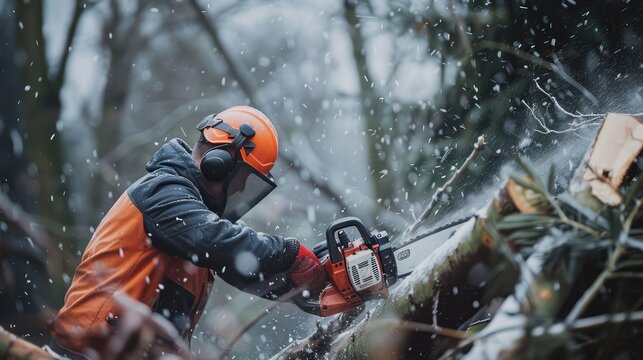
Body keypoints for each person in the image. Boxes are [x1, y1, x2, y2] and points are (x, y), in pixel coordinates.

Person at [49, 106, 327, 359]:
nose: (241, 191)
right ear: (218, 164)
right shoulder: (162, 191)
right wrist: (290, 254)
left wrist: (311, 287)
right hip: (84, 353)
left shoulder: (194, 220)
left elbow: (244, 267)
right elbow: (222, 242)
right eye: (243, 180)